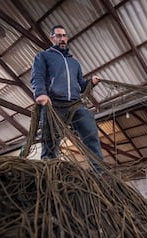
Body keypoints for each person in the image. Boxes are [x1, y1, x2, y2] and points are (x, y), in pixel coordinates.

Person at [31, 24, 103, 171]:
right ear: (52, 38)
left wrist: (91, 83)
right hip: (54, 104)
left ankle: (100, 173)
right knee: (50, 142)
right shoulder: (43, 56)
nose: (62, 39)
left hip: (76, 104)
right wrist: (41, 93)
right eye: (58, 36)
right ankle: (49, 174)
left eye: (64, 36)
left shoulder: (74, 63)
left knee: (91, 136)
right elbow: (37, 77)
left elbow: (81, 85)